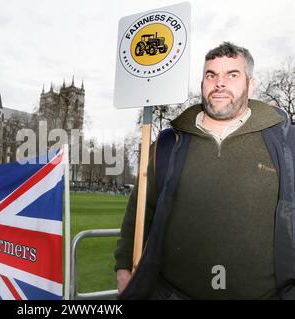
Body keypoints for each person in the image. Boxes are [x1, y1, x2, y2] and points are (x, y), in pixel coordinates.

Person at [114, 42, 295, 300]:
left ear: (250, 85)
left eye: (232, 74)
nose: (219, 83)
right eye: (211, 75)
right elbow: (141, 210)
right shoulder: (167, 144)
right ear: (202, 84)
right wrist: (123, 267)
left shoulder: (286, 143)